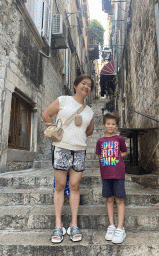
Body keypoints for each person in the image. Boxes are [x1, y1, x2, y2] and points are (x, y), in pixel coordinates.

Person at [42, 74, 94, 243]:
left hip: (79, 151)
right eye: (83, 83)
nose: (86, 87)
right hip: (61, 148)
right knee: (60, 186)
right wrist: (56, 132)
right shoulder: (63, 100)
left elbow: (90, 130)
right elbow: (46, 115)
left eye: (89, 85)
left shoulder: (89, 111)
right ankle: (58, 225)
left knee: (74, 186)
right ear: (76, 85)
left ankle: (73, 224)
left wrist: (77, 136)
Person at [96, 112, 128, 244]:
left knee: (119, 199)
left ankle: (120, 228)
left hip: (118, 173)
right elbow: (99, 155)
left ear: (116, 126)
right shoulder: (100, 141)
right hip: (106, 174)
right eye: (108, 123)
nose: (110, 126)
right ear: (104, 125)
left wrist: (116, 157)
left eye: (113, 124)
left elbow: (125, 152)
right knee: (109, 199)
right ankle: (111, 225)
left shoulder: (119, 139)